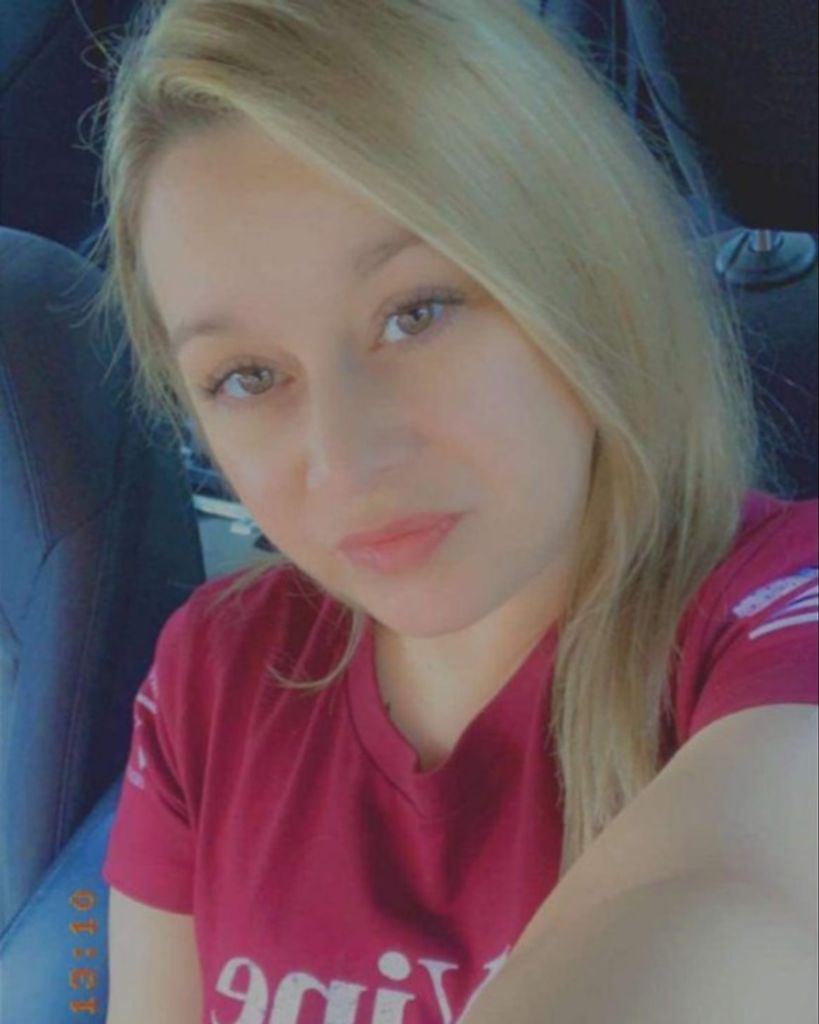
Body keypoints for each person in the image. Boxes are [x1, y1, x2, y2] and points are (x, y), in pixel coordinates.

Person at [91, 1, 818, 1021]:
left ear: (586, 276)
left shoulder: (782, 611)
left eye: (416, 312)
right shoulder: (213, 669)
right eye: (247, 376)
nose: (345, 460)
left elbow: (748, 899)